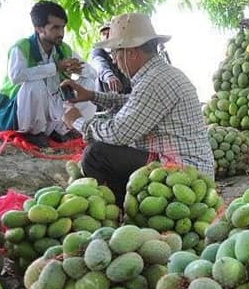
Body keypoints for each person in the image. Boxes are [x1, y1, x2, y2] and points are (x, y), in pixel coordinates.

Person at [60, 13, 214, 204]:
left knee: (96, 154)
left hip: (185, 175)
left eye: (116, 53)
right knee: (110, 149)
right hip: (189, 168)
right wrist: (92, 95)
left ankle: (118, 211)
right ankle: (132, 205)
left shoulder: (155, 81)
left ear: (131, 53)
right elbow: (133, 102)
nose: (114, 60)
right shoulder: (159, 74)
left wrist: (78, 122)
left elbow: (119, 133)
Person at [0, 0, 97, 146]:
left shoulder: (63, 49)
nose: (61, 33)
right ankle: (34, 133)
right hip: (15, 112)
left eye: (63, 28)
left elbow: (92, 72)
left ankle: (64, 129)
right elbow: (16, 77)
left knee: (88, 83)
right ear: (39, 28)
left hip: (52, 106)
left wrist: (76, 73)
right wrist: (55, 67)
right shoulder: (22, 47)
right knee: (35, 84)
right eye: (55, 28)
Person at [90, 22, 131, 94]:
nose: (106, 36)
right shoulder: (98, 51)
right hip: (106, 97)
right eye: (104, 34)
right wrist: (109, 76)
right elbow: (99, 64)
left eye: (109, 33)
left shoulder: (123, 50)